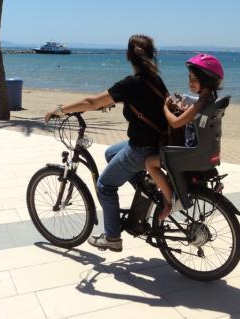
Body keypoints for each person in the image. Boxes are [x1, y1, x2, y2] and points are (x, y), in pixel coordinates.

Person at [44, 34, 168, 252]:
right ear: (151, 55)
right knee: (111, 153)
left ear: (129, 56)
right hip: (157, 142)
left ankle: (112, 237)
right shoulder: (155, 80)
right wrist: (108, 104)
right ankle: (144, 187)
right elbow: (138, 103)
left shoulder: (131, 83)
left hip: (141, 148)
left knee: (105, 185)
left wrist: (59, 111)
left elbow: (91, 101)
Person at [145, 54, 224, 220]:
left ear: (207, 81)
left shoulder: (201, 103)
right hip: (208, 153)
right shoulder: (210, 99)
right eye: (189, 78)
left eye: (194, 79)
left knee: (150, 163)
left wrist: (165, 107)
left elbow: (175, 123)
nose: (190, 82)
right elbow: (193, 114)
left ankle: (170, 201)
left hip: (191, 154)